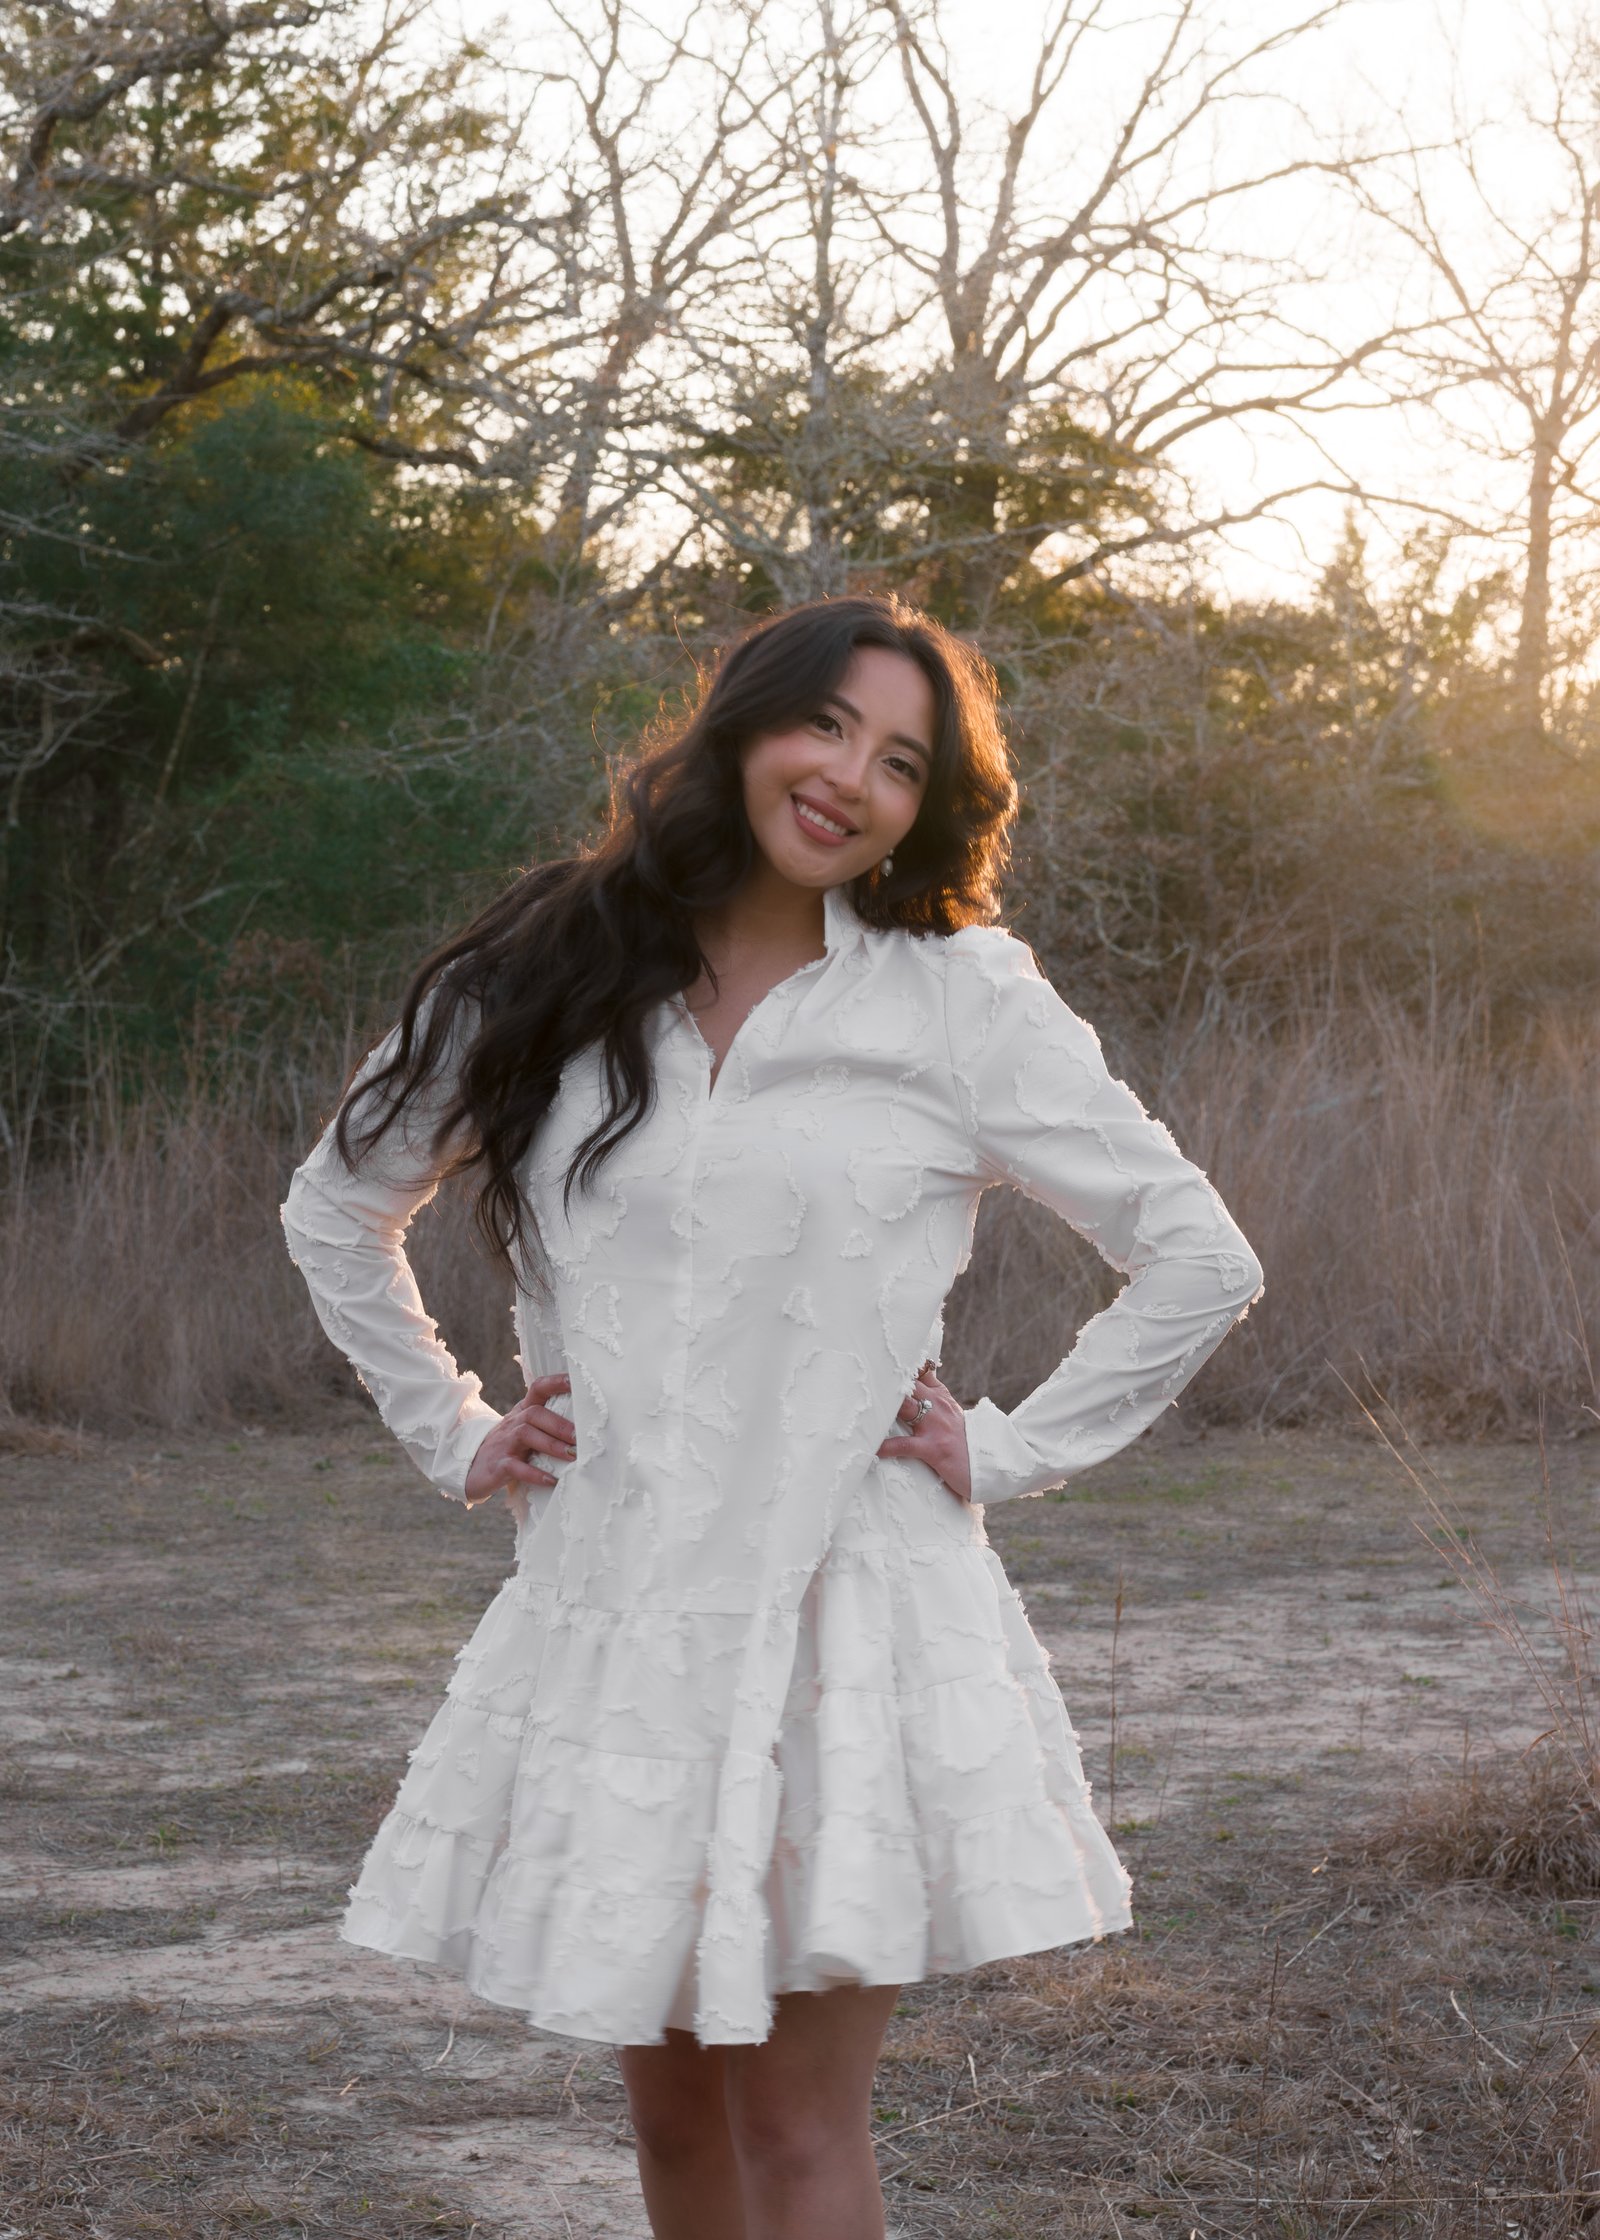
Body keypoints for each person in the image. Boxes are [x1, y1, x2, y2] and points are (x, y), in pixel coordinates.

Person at [280, 592, 1263, 2240]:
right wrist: (455, 1426)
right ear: (746, 723)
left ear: (925, 806)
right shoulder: (555, 960)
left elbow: (1197, 1255)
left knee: (799, 2130)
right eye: (829, 728)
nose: (851, 781)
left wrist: (1005, 1446)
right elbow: (336, 1205)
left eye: (900, 763)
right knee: (673, 2132)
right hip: (620, 1614)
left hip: (844, 1620)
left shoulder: (956, 998)